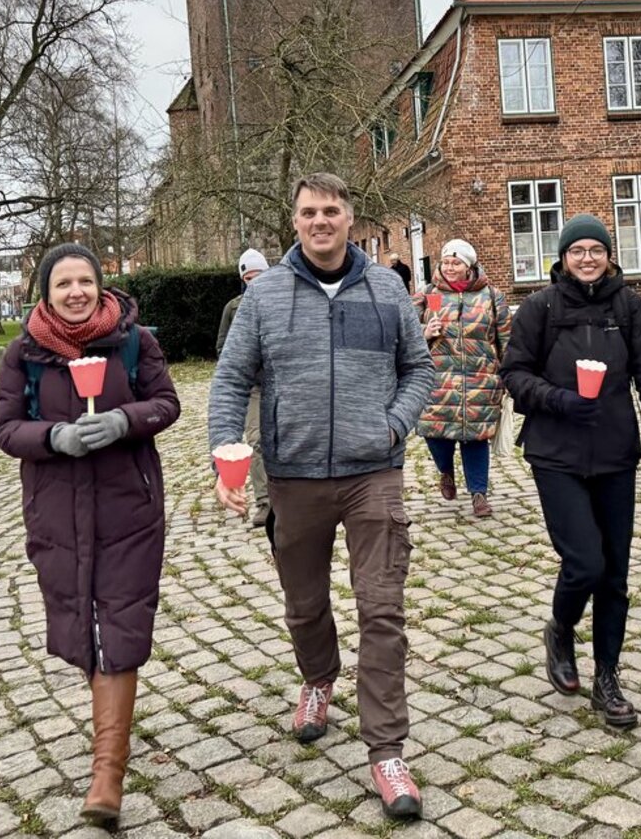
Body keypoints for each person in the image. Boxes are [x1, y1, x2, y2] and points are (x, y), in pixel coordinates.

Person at [210, 173, 433, 821]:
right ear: (296, 219)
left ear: (348, 216)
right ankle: (317, 679)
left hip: (374, 474)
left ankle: (387, 750)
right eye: (308, 211)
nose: (320, 221)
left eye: (331, 210)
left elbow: (418, 367)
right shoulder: (266, 296)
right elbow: (231, 378)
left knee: (382, 608)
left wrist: (394, 423)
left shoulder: (385, 288)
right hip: (295, 476)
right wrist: (226, 446)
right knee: (305, 606)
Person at [0, 243, 180, 828]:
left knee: (120, 622)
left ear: (101, 286)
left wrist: (125, 420)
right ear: (43, 294)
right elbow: (4, 428)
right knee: (81, 626)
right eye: (63, 284)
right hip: (57, 514)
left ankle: (107, 775)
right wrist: (53, 438)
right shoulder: (22, 353)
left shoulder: (131, 341)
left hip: (129, 507)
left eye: (85, 282)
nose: (76, 292)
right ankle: (109, 726)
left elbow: (167, 403)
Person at [500, 213, 641, 729]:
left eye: (595, 250)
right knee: (584, 561)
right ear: (562, 257)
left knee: (615, 574)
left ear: (609, 255)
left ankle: (607, 678)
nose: (586, 259)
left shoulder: (627, 306)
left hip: (615, 453)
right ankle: (560, 628)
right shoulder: (542, 307)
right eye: (576, 250)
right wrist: (557, 399)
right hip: (555, 453)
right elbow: (513, 372)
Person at [413, 239, 511, 517]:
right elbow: (404, 330)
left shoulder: (492, 297)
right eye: (445, 262)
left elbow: (506, 338)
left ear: (469, 266)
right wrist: (424, 331)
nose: (450, 267)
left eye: (456, 262)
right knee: (435, 434)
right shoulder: (428, 294)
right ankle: (445, 471)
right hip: (438, 379)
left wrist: (507, 374)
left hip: (481, 379)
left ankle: (478, 494)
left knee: (475, 438)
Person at [216, 248, 271, 529]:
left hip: (281, 386)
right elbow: (222, 347)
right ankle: (264, 502)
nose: (253, 282)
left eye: (258, 276)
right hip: (253, 388)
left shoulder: (282, 301)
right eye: (248, 277)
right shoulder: (233, 308)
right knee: (257, 441)